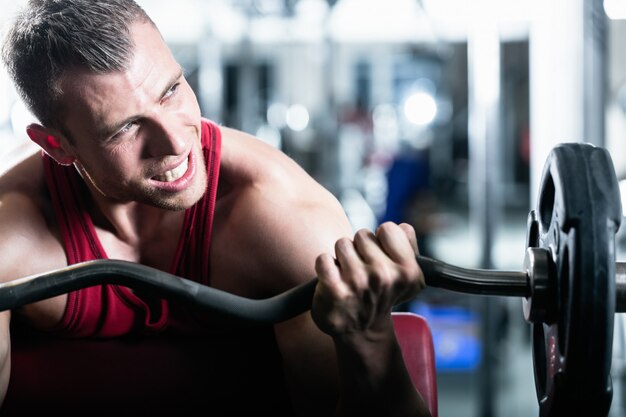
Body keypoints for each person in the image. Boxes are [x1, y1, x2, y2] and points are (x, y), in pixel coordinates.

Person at [0, 1, 429, 416]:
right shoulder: (12, 238)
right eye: (126, 127)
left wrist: (370, 343)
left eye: (170, 91)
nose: (176, 142)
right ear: (56, 146)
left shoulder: (278, 215)